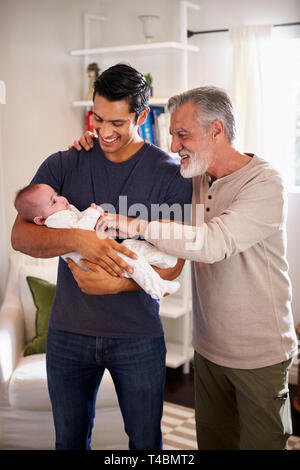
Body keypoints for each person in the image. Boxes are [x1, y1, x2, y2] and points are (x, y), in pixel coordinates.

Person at [95, 86, 298, 450]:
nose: (174, 146)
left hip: (260, 354)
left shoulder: (266, 184)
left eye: (182, 134)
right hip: (207, 348)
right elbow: (145, 162)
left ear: (216, 130)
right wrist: (98, 142)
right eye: (173, 134)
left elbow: (213, 243)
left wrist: (135, 225)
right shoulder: (194, 176)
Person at [11, 63, 192, 450]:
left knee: (146, 443)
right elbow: (20, 235)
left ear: (142, 116)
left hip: (138, 336)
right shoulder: (64, 163)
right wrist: (81, 239)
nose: (105, 132)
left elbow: (175, 263)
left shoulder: (170, 175)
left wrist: (119, 283)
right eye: (98, 119)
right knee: (70, 442)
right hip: (68, 334)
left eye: (118, 123)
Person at [14, 183, 180, 299]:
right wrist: (92, 213)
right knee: (133, 261)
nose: (62, 198)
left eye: (57, 195)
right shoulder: (55, 220)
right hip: (99, 260)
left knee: (134, 251)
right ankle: (157, 288)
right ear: (40, 220)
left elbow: (86, 234)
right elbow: (81, 233)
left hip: (102, 249)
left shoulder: (60, 213)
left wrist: (101, 226)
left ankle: (165, 259)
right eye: (54, 201)